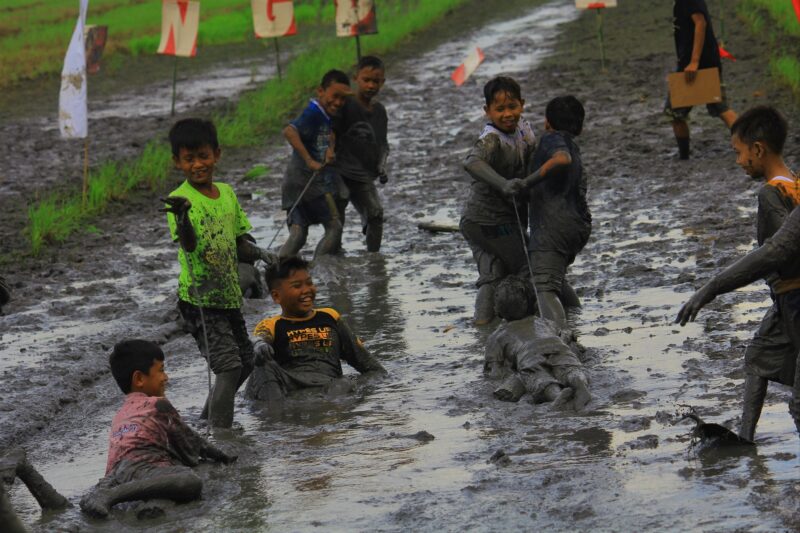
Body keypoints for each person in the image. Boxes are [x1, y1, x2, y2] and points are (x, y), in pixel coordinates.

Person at [678, 106, 800, 441]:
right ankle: (745, 439)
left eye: (739, 153)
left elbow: (777, 252)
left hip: (793, 298)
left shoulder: (770, 193)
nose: (737, 162)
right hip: (784, 301)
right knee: (758, 358)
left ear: (758, 150)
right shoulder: (796, 184)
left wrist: (712, 288)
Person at [162, 118, 274, 428]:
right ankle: (222, 437)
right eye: (189, 159)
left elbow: (240, 243)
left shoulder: (226, 193)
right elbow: (189, 244)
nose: (198, 165)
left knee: (246, 362)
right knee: (227, 369)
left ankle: (207, 421)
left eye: (203, 156)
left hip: (227, 296)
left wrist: (262, 253)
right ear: (177, 162)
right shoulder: (180, 201)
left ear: (217, 155)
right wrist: (182, 218)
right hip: (200, 301)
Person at [80, 340, 236, 518]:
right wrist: (221, 456)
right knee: (189, 480)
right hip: (143, 468)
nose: (166, 377)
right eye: (161, 370)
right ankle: (111, 496)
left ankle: (135, 501)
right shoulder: (158, 404)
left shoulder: (120, 413)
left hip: (116, 473)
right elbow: (191, 441)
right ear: (139, 379)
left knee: (163, 478)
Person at [244, 256, 387, 402]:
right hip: (288, 386)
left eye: (309, 283)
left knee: (344, 384)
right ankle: (276, 417)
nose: (306, 290)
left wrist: (357, 385)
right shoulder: (271, 324)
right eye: (297, 286)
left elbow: (372, 367)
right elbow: (258, 338)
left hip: (330, 386)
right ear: (276, 296)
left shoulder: (330, 317)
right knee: (261, 363)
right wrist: (260, 345)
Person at [460, 76, 537, 325]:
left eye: (512, 107)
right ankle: (532, 322)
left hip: (479, 222)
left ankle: (482, 328)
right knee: (529, 268)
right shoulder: (491, 139)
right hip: (490, 221)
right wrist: (503, 184)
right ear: (487, 111)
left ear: (522, 105)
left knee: (492, 276)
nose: (507, 114)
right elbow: (471, 162)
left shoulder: (524, 129)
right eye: (500, 109)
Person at [510, 96, 591, 329]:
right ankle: (576, 320)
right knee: (556, 280)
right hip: (577, 225)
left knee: (544, 288)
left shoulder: (552, 139)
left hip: (553, 227)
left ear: (547, 123)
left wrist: (527, 182)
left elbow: (561, 159)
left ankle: (558, 342)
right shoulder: (573, 145)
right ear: (580, 127)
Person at [484, 276, 591, 410]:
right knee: (570, 368)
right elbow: (565, 335)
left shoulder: (497, 336)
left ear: (497, 310)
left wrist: (506, 376)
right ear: (533, 304)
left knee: (539, 380)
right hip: (557, 345)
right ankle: (580, 385)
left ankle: (556, 396)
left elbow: (494, 371)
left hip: (529, 354)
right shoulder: (544, 322)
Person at [279, 70, 351, 259]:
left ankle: (277, 269)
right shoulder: (313, 112)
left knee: (299, 233)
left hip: (293, 183)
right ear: (321, 91)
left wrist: (329, 148)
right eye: (335, 96)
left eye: (343, 99)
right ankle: (318, 268)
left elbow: (328, 134)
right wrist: (310, 160)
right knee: (334, 227)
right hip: (311, 184)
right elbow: (290, 131)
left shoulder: (323, 116)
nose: (338, 102)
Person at [332, 55, 390, 252]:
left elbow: (382, 144)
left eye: (376, 81)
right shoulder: (346, 104)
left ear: (382, 82)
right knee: (336, 218)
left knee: (375, 213)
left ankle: (374, 257)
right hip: (339, 170)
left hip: (363, 174)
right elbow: (330, 131)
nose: (371, 85)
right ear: (356, 78)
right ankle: (334, 254)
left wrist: (382, 165)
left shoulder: (379, 111)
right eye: (366, 80)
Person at [666, 0, 737, 159]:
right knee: (720, 107)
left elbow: (700, 23)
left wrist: (694, 61)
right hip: (700, 62)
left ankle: (684, 157)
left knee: (675, 111)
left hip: (698, 65)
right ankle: (751, 144)